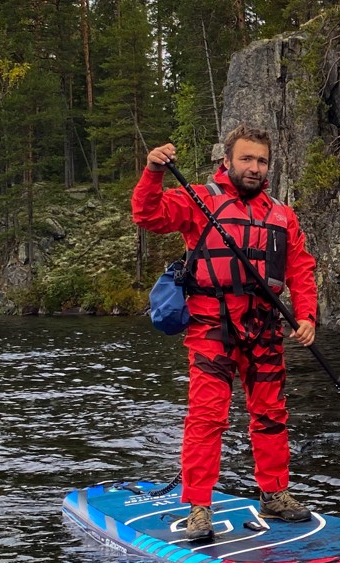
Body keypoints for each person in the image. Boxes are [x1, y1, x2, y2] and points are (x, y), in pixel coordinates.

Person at [132, 124, 318, 540]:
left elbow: (301, 269)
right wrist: (153, 173)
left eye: (262, 161)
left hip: (264, 325)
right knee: (207, 417)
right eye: (246, 159)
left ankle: (275, 494)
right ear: (227, 161)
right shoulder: (198, 200)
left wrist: (305, 315)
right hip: (211, 324)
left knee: (271, 414)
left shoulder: (281, 215)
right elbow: (148, 214)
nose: (254, 168)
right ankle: (199, 505)